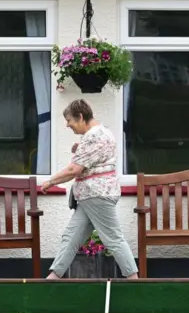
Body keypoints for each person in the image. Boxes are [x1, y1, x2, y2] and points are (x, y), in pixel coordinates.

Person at [41, 99, 139, 279]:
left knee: (113, 239)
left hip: (96, 195)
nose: (67, 125)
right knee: (70, 237)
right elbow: (98, 158)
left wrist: (50, 182)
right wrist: (80, 149)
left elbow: (74, 169)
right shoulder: (103, 133)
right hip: (90, 197)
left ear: (80, 116)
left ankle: (134, 280)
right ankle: (53, 277)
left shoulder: (93, 136)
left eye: (70, 121)